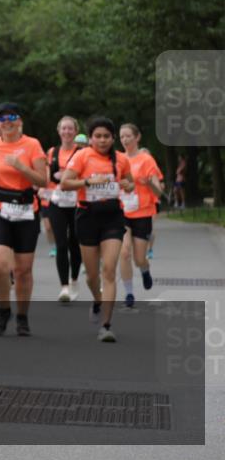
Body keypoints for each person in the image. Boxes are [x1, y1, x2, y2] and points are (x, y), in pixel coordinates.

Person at [60, 116, 135, 342]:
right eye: (97, 136)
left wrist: (127, 184)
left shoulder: (121, 160)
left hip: (112, 216)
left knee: (109, 270)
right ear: (91, 138)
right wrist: (88, 182)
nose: (102, 140)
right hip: (87, 216)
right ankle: (97, 300)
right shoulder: (82, 156)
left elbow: (130, 183)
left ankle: (106, 325)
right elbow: (64, 183)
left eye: (106, 136)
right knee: (92, 276)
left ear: (113, 138)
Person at [0, 102, 47, 337]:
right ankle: (4, 309)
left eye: (11, 117)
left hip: (26, 209)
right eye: (2, 118)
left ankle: (22, 316)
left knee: (23, 270)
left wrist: (21, 167)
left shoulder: (32, 145)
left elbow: (42, 181)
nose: (6, 121)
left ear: (19, 121)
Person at [118, 124, 164, 308]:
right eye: (122, 137)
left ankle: (144, 269)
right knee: (124, 252)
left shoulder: (146, 160)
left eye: (128, 136)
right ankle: (129, 293)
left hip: (143, 212)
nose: (125, 140)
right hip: (121, 211)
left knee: (139, 258)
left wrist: (148, 184)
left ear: (137, 138)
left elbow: (159, 193)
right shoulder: (118, 159)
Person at [46, 116, 84, 302]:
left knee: (75, 242)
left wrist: (66, 177)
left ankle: (75, 279)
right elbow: (46, 176)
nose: (67, 132)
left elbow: (86, 176)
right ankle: (64, 287)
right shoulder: (52, 152)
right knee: (61, 243)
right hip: (57, 202)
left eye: (70, 129)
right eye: (64, 128)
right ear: (59, 131)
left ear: (76, 131)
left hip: (77, 202)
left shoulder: (82, 153)